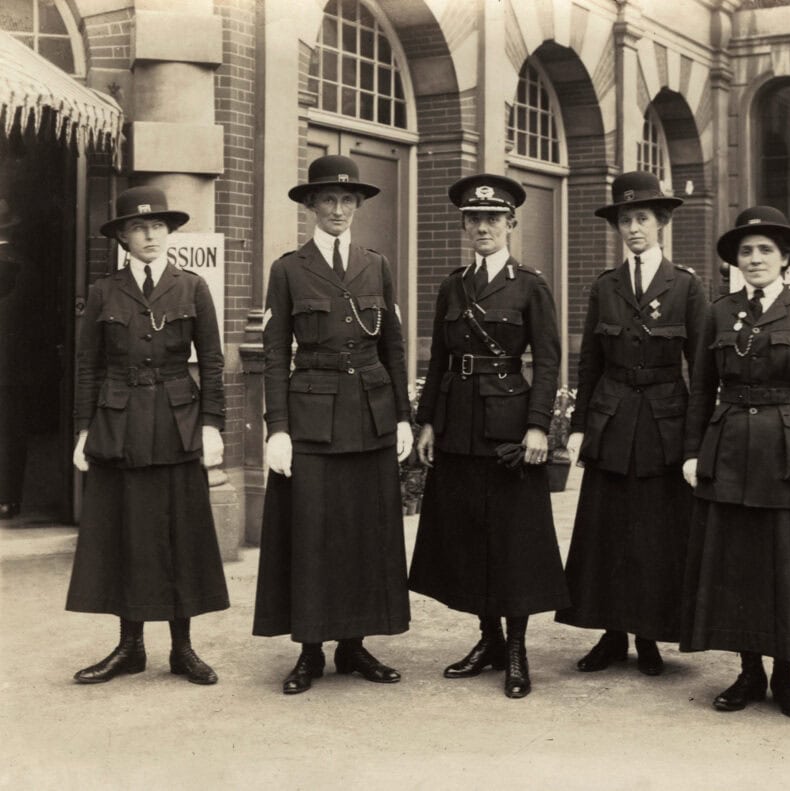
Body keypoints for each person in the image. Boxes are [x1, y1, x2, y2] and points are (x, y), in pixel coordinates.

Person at [679, 205, 790, 718]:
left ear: (786, 258)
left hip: (788, 455)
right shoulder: (717, 311)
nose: (754, 259)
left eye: (765, 251)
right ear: (735, 260)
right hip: (728, 450)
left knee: (785, 564)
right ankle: (748, 673)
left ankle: (784, 676)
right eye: (745, 252)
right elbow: (700, 392)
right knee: (737, 565)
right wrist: (692, 451)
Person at [253, 155, 413, 695]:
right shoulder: (289, 268)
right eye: (328, 200)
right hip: (312, 417)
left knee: (363, 532)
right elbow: (275, 352)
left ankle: (354, 645)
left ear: (359, 206)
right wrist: (277, 427)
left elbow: (393, 344)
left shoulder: (377, 264)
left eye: (348, 201)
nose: (339, 209)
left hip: (370, 415)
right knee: (312, 534)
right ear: (311, 206)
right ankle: (310, 650)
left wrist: (404, 417)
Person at [408, 173, 569, 699]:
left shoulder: (530, 285)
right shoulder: (453, 285)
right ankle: (488, 640)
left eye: (493, 219)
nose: (483, 227)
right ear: (464, 225)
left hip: (508, 428)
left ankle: (518, 649)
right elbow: (438, 361)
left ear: (511, 224)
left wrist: (539, 425)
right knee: (469, 536)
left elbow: (547, 361)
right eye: (474, 219)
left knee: (513, 541)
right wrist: (428, 420)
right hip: (457, 426)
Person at [67, 186, 228, 685]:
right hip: (120, 428)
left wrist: (212, 425)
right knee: (127, 534)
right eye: (139, 227)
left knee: (179, 532)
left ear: (170, 232)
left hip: (178, 425)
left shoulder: (191, 286)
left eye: (158, 225)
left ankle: (183, 649)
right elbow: (88, 367)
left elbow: (214, 363)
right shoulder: (103, 292)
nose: (150, 234)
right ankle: (130, 647)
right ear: (122, 237)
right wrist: (83, 430)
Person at [555, 171, 708, 676]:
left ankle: (649, 636)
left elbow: (703, 369)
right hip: (613, 420)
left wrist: (695, 441)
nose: (633, 228)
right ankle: (611, 634)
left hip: (665, 423)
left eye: (642, 218)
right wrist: (579, 427)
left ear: (662, 222)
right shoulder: (606, 286)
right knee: (608, 532)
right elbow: (590, 363)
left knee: (657, 534)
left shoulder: (686, 286)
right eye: (625, 219)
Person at [0, 198, 32, 519]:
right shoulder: (23, 263)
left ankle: (7, 495)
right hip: (14, 364)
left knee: (9, 430)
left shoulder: (13, 263)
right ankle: (8, 497)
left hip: (10, 363)